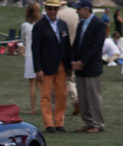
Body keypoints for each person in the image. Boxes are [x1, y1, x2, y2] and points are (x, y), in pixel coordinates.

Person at [31, 0, 71, 133]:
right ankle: (48, 124)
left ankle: (59, 122)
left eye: (55, 9)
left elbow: (66, 47)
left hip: (62, 65)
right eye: (49, 9)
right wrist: (38, 69)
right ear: (45, 9)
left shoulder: (63, 25)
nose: (52, 11)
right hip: (46, 67)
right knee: (45, 96)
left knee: (62, 95)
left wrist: (69, 66)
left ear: (58, 9)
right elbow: (35, 49)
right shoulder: (39, 26)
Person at [72, 0, 105, 133]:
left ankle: (98, 124)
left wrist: (83, 62)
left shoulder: (99, 24)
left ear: (86, 9)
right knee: (83, 97)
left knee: (93, 97)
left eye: (79, 9)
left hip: (91, 68)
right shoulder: (80, 25)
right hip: (80, 69)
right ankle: (88, 122)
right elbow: (76, 45)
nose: (77, 11)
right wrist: (74, 62)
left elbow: (96, 47)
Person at [22, 2, 40, 114]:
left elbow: (23, 40)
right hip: (39, 55)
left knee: (32, 83)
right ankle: (43, 106)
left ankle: (33, 108)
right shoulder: (41, 24)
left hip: (29, 55)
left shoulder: (25, 25)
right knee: (40, 83)